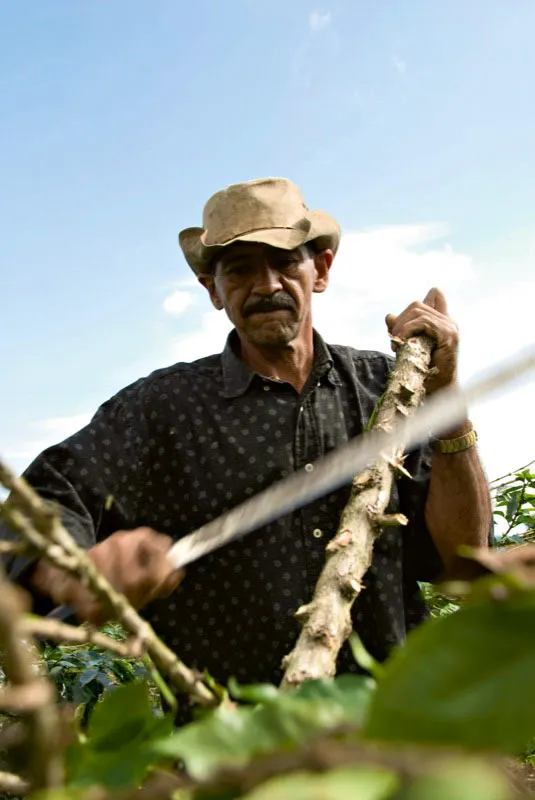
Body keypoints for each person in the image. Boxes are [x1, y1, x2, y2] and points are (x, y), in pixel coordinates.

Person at [1, 177, 491, 697]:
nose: (267, 285)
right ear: (213, 289)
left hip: (396, 729)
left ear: (319, 270)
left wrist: (445, 399)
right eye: (239, 269)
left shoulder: (385, 387)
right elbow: (44, 498)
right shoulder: (162, 409)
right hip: (235, 747)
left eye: (285, 262)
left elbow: (462, 564)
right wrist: (68, 569)